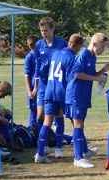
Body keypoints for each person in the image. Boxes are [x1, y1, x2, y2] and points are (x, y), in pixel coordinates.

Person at [65, 33, 109, 167]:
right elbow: (77, 74)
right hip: (76, 95)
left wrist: (103, 70)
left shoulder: (92, 57)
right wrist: (97, 79)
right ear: (94, 44)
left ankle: (83, 153)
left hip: (83, 95)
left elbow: (91, 75)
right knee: (78, 124)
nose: (103, 49)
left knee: (80, 124)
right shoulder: (83, 55)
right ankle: (78, 158)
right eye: (102, 47)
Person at [34, 34, 84, 164]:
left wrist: (49, 83)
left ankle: (39, 153)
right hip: (63, 93)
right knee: (73, 121)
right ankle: (66, 150)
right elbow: (72, 77)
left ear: (69, 42)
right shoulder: (72, 58)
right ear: (78, 46)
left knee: (47, 122)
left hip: (49, 91)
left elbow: (43, 70)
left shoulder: (55, 53)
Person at [34, 17, 68, 133]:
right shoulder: (39, 45)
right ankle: (43, 143)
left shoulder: (62, 44)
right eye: (42, 31)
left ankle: (59, 142)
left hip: (57, 83)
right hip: (43, 84)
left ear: (53, 29)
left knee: (59, 113)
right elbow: (38, 65)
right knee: (40, 114)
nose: (44, 33)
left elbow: (66, 63)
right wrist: (35, 86)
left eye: (46, 30)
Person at [24, 35, 38, 128]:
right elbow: (27, 75)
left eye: (32, 44)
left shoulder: (43, 54)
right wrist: (30, 91)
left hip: (42, 86)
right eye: (29, 45)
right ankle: (33, 130)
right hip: (32, 87)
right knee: (33, 110)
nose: (31, 46)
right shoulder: (29, 57)